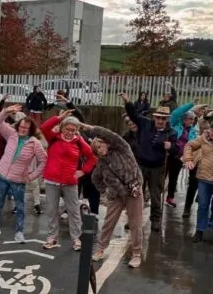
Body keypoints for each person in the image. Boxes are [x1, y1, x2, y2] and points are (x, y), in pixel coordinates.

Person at [0, 104, 47, 243]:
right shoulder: (11, 134)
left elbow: (44, 161)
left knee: (20, 207)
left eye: (26, 128)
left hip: (18, 180)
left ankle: (19, 232)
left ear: (31, 130)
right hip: (2, 176)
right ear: (18, 126)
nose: (23, 130)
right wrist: (6, 111)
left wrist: (31, 176)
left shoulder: (35, 143)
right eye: (21, 127)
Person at [84, 125, 144, 268]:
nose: (100, 149)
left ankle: (136, 254)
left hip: (133, 190)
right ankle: (100, 248)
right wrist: (105, 192)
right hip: (116, 195)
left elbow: (109, 133)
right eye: (96, 149)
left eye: (100, 145)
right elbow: (95, 179)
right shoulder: (102, 164)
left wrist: (89, 128)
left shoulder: (122, 149)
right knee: (108, 223)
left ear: (107, 142)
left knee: (135, 223)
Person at [40, 110, 97, 250]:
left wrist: (82, 171)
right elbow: (44, 127)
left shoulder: (79, 142)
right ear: (62, 127)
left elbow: (92, 157)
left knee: (74, 211)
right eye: (67, 129)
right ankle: (52, 237)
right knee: (52, 210)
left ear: (77, 130)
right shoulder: (53, 137)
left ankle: (76, 238)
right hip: (52, 180)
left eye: (73, 130)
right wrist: (58, 118)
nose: (70, 132)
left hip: (70, 182)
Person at [122, 94, 178, 232]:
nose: (160, 120)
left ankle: (156, 220)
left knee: (155, 196)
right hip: (140, 165)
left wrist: (170, 146)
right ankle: (133, 219)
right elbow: (133, 114)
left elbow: (176, 150)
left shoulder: (171, 132)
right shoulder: (145, 123)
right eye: (158, 117)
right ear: (154, 117)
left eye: (163, 118)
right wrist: (128, 102)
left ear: (167, 119)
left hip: (157, 168)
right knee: (135, 193)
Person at [182, 117, 213, 244]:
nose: (212, 134)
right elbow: (189, 145)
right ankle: (199, 230)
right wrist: (188, 159)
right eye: (211, 130)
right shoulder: (204, 137)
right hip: (204, 177)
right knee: (202, 205)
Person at [165, 102, 205, 209]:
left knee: (173, 177)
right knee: (162, 176)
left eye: (192, 119)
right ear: (184, 119)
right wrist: (191, 105)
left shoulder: (194, 131)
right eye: (189, 119)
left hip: (179, 157)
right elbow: (176, 113)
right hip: (169, 154)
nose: (191, 121)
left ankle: (170, 197)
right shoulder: (175, 125)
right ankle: (158, 192)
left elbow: (194, 144)